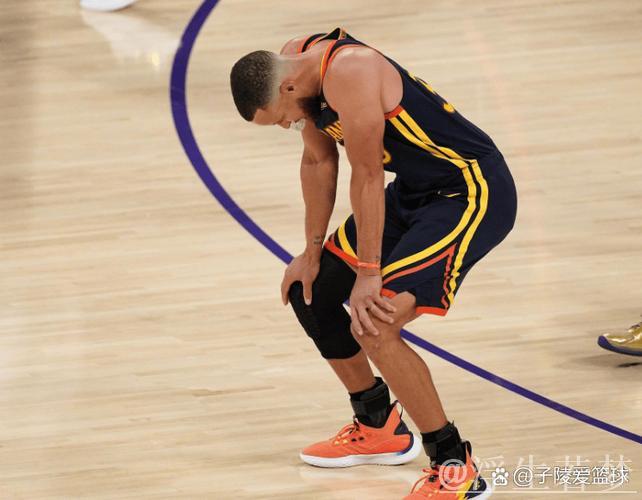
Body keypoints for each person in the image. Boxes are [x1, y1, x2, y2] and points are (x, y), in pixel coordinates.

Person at [230, 28, 517, 499]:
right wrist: (311, 251)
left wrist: (368, 273)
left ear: (288, 87)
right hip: (413, 192)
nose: (287, 126)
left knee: (375, 322)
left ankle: (455, 467)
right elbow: (317, 161)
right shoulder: (295, 63)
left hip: (467, 192)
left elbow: (366, 175)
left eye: (282, 119)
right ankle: (378, 424)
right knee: (311, 291)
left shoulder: (352, 71)